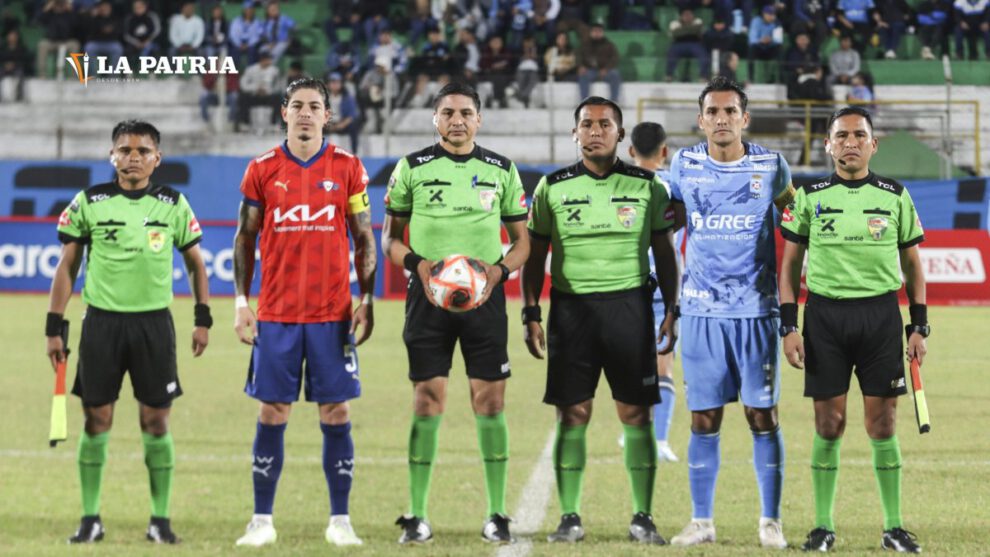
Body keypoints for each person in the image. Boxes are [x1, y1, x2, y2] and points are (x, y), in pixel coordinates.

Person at [522, 96, 679, 545]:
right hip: (572, 312)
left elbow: (666, 254)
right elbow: (535, 258)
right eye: (586, 124)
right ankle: (570, 516)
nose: (595, 130)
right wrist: (531, 312)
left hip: (630, 309)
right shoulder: (551, 187)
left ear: (620, 134)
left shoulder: (649, 188)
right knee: (573, 413)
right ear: (575, 133)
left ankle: (643, 517)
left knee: (636, 414)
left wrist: (671, 309)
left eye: (604, 124)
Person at [46, 119, 211, 545]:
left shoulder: (174, 204)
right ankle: (90, 519)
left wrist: (202, 317)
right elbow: (68, 266)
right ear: (111, 156)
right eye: (124, 149)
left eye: (142, 150)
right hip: (102, 324)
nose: (132, 157)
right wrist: (54, 327)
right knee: (96, 418)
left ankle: (160, 520)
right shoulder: (90, 201)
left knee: (156, 420)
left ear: (157, 158)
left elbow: (196, 263)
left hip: (154, 325)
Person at [382, 81, 530, 545]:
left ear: (479, 119)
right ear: (435, 118)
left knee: (490, 401)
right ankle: (417, 515)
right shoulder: (411, 168)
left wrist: (499, 272)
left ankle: (497, 514)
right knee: (427, 398)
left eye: (466, 113)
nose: (457, 120)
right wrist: (420, 266)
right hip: (427, 299)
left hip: (485, 302)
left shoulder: (502, 170)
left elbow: (523, 242)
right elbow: (390, 239)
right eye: (447, 113)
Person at [232, 76, 376, 548]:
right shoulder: (262, 169)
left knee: (336, 410)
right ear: (284, 112)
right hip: (275, 314)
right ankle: (261, 519)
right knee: (273, 410)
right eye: (298, 105)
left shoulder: (349, 168)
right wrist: (240, 302)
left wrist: (367, 299)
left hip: (332, 315)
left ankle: (340, 519)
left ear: (328, 115)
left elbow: (364, 238)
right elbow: (245, 238)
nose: (306, 113)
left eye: (315, 106)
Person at [779, 106, 927, 554]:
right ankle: (823, 527)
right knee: (829, 423)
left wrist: (918, 325)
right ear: (828, 144)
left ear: (873, 144)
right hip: (824, 318)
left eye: (859, 135)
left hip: (881, 318)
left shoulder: (895, 194)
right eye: (841, 135)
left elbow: (913, 265)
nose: (850, 142)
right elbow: (787, 268)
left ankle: (894, 528)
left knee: (883, 424)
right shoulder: (807, 195)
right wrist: (789, 325)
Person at [665, 76, 793, 549]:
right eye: (712, 112)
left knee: (763, 416)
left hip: (757, 312)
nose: (721, 119)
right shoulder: (683, 164)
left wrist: (793, 310)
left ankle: (770, 522)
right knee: (704, 419)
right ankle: (701, 522)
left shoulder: (772, 166)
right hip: (700, 314)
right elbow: (669, 226)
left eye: (730, 111)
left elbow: (794, 228)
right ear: (701, 120)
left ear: (745, 118)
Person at [624, 121, 682, 463]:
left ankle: (632, 431)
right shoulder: (677, 186)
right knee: (664, 366)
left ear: (631, 151)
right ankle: (658, 440)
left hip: (628, 285)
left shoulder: (618, 184)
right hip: (666, 287)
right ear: (665, 152)